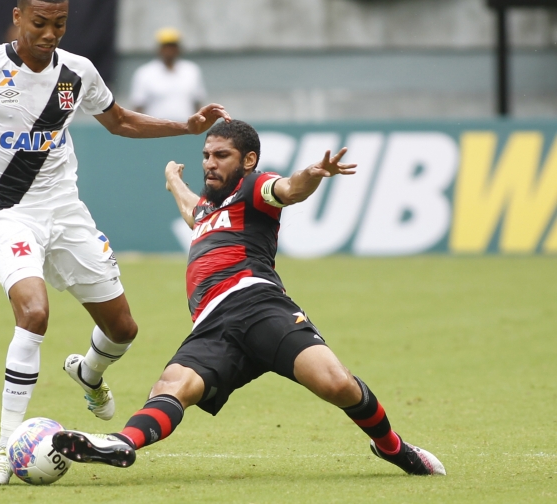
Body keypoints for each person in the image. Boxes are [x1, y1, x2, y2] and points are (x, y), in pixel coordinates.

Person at [0, 0, 230, 485]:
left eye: (59, 24)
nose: (50, 33)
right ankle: (6, 450)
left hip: (66, 213)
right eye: (40, 23)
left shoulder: (77, 73)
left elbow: (118, 121)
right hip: (5, 213)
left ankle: (89, 373)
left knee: (124, 328)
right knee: (33, 312)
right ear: (17, 17)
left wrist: (185, 127)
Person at [51, 120, 447, 477]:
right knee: (171, 386)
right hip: (212, 326)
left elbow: (289, 189)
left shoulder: (254, 187)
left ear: (248, 160)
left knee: (337, 384)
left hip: (259, 307)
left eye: (221, 156)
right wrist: (173, 179)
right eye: (206, 155)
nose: (210, 163)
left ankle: (392, 447)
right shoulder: (208, 207)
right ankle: (122, 442)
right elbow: (193, 211)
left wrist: (311, 174)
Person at [128, 27, 207, 122]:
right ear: (159, 48)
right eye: (166, 46)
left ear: (179, 48)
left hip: (185, 129)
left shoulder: (191, 71)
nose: (169, 50)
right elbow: (138, 106)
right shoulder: (145, 73)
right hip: (156, 130)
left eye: (172, 46)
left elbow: (197, 103)